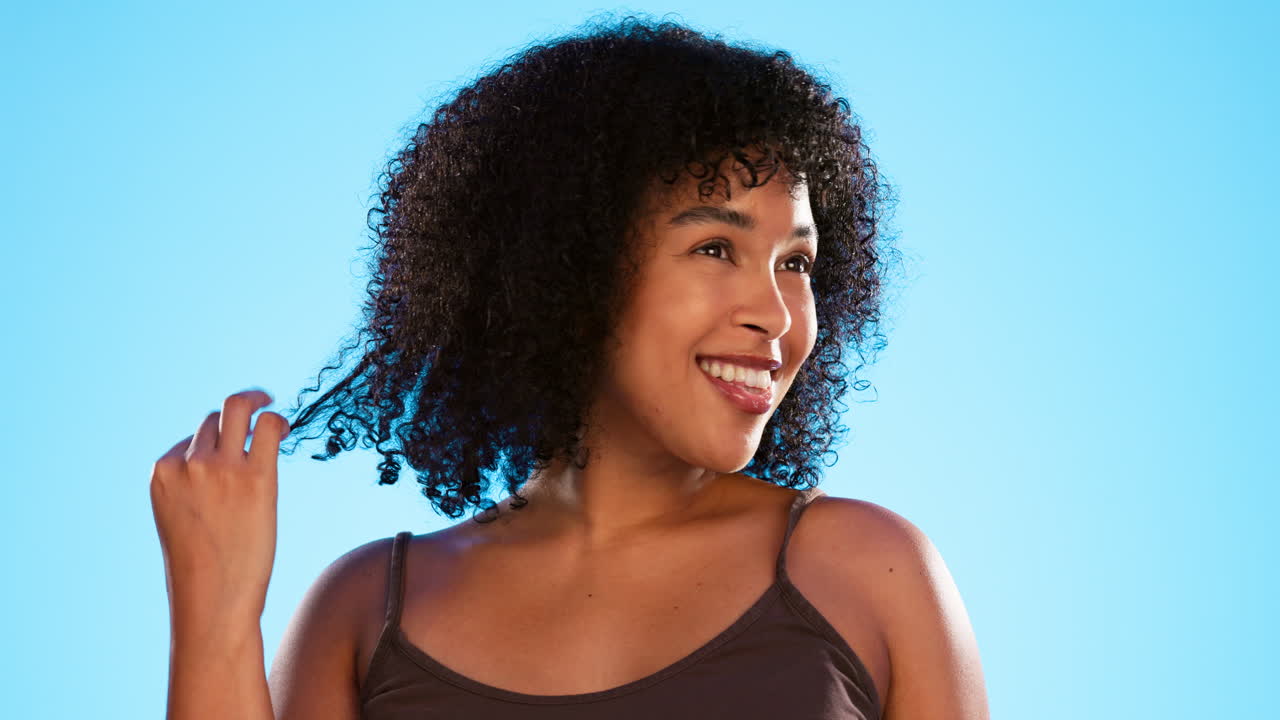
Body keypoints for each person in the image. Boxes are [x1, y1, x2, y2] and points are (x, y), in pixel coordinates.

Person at [150, 13, 988, 720]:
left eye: (795, 264)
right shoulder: (370, 606)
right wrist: (217, 613)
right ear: (567, 268)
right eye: (714, 246)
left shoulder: (863, 571)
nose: (774, 314)